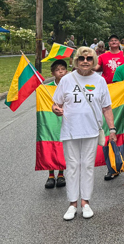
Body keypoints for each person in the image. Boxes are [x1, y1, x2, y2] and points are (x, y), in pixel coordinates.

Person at [52, 47, 117, 221]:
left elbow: (107, 107)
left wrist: (112, 129)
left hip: (91, 130)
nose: (85, 61)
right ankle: (72, 204)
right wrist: (56, 110)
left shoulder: (100, 80)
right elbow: (56, 103)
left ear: (94, 60)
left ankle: (85, 203)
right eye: (82, 58)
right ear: (76, 60)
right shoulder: (66, 79)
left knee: (87, 166)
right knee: (72, 166)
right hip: (71, 130)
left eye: (89, 58)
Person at [45, 60, 68, 189]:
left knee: (61, 146)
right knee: (50, 145)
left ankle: (60, 174)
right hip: (50, 121)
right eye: (57, 69)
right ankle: (50, 175)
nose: (60, 71)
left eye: (63, 69)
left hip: (64, 119)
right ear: (52, 72)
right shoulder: (47, 87)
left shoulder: (69, 85)